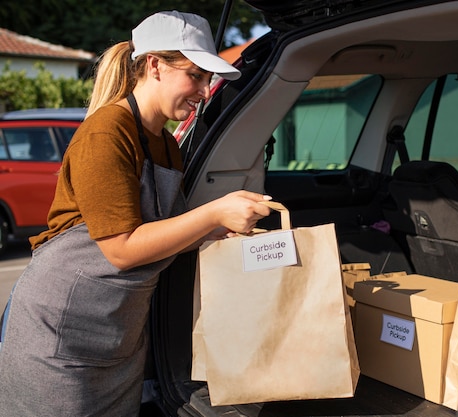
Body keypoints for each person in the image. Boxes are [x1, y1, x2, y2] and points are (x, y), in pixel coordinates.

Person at [0, 10, 271, 416]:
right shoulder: (105, 133)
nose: (203, 89)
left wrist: (212, 235)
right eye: (195, 75)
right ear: (155, 65)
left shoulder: (167, 146)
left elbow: (160, 233)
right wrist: (214, 213)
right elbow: (122, 249)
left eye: (206, 79)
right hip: (59, 339)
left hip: (119, 339)